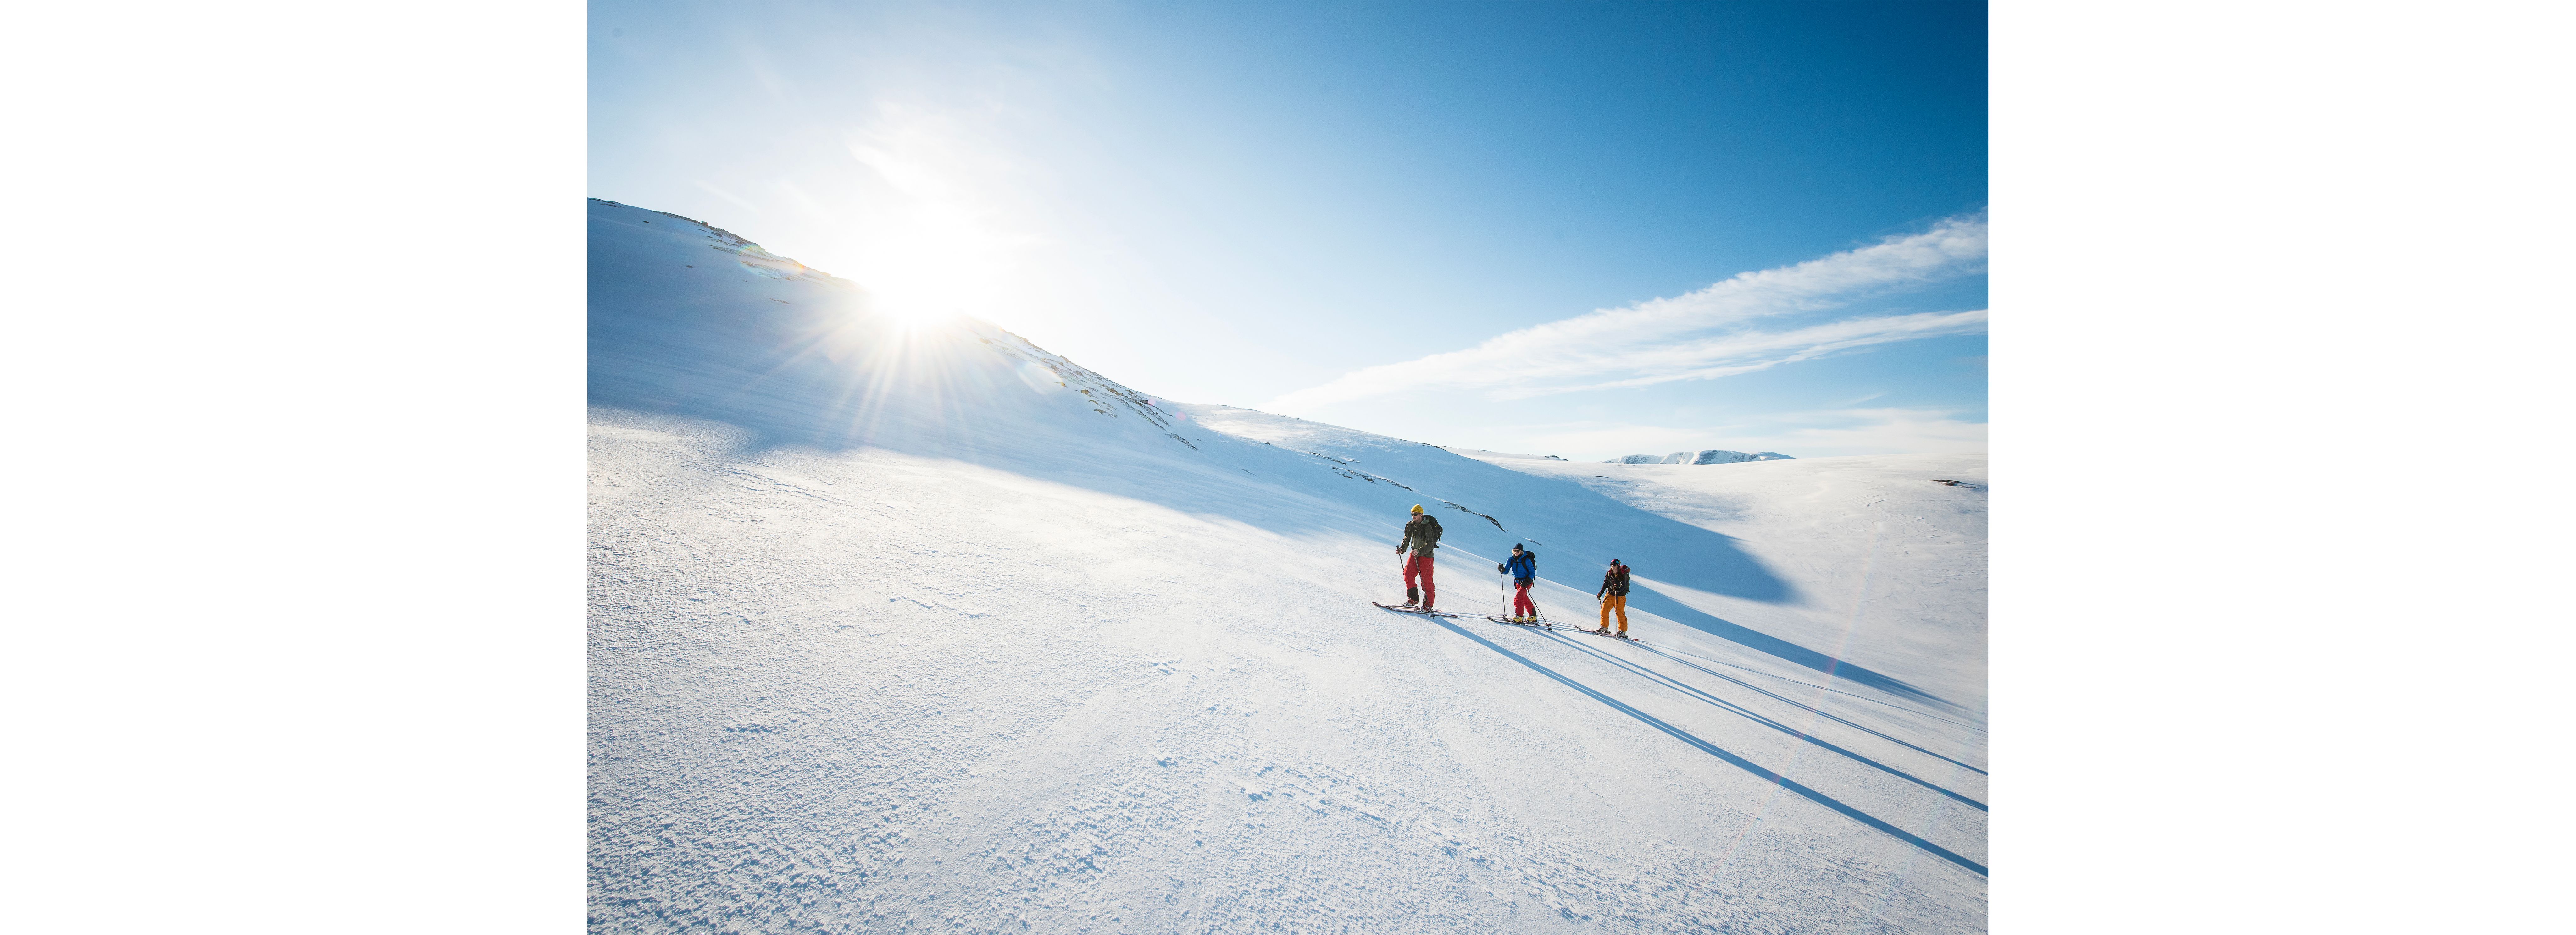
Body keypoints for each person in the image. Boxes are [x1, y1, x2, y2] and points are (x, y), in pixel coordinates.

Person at [1395, 504, 1442, 609]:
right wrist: (1402, 549)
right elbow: (1407, 539)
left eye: (1416, 514)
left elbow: (1430, 544)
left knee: (1426, 581)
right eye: (1412, 514)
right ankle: (1413, 599)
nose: (1414, 516)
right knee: (1408, 574)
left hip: (1427, 556)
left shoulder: (1427, 527)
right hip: (1414, 555)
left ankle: (1428, 606)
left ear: (1421, 514)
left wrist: (1419, 551)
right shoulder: (1410, 525)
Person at [1497, 544, 1539, 623]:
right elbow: (1506, 571)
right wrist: (1502, 569)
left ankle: (1519, 617)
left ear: (1522, 552)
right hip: (1518, 582)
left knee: (1519, 598)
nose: (1516, 552)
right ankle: (1533, 616)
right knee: (1524, 598)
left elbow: (1532, 573)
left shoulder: (1526, 560)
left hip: (1527, 582)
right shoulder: (1511, 559)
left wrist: (1527, 581)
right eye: (1515, 551)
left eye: (1518, 551)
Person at [1595, 559, 1632, 636]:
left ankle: (1622, 631)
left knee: (1620, 614)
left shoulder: (1622, 574)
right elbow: (1605, 584)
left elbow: (1623, 585)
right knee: (1604, 611)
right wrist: (1601, 593)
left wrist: (1618, 590)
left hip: (1620, 597)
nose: (1612, 566)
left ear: (1618, 566)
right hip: (1610, 594)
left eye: (1614, 565)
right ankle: (1604, 626)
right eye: (1611, 565)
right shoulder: (1609, 573)